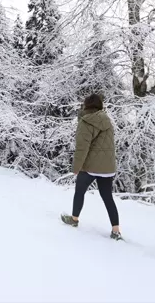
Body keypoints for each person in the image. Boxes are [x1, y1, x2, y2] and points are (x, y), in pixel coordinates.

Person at [61, 93, 122, 240]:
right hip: (107, 168)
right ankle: (116, 231)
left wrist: (76, 167)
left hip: (90, 166)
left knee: (80, 191)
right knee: (108, 198)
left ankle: (74, 219)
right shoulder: (107, 120)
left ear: (86, 105)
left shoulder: (86, 121)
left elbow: (82, 147)